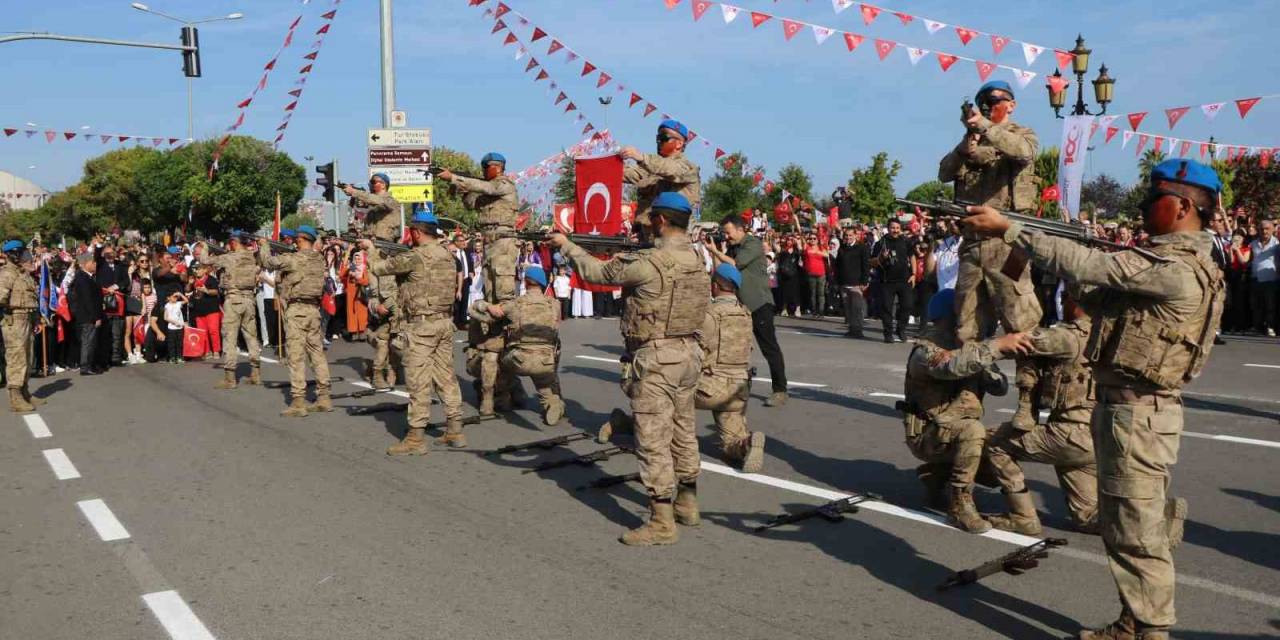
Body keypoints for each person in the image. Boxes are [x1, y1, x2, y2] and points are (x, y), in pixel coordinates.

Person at [960, 158, 1224, 640]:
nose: (1143, 209)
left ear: (1183, 205)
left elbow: (1092, 266)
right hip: (1127, 412)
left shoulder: (1177, 268)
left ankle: (1149, 630)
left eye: (1153, 200)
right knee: (1123, 526)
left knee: (1136, 535)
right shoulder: (1173, 265)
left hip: (1137, 415)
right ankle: (1135, 621)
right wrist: (1059, 254)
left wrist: (1013, 229)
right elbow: (1098, 297)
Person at [551, 192, 709, 546]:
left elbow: (598, 272)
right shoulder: (696, 258)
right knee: (683, 432)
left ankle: (661, 521)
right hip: (688, 354)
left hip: (656, 357)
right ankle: (688, 501)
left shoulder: (651, 262)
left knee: (653, 439)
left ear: (661, 221)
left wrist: (567, 246)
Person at [938, 80, 1043, 431]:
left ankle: (1028, 401)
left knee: (1022, 321)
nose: (986, 107)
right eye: (982, 102)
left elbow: (1023, 153)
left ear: (1010, 104)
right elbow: (944, 172)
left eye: (993, 101)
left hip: (1008, 244)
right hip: (972, 246)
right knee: (967, 325)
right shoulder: (973, 141)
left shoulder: (1021, 133)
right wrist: (965, 145)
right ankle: (969, 399)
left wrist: (985, 128)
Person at [902, 288, 1031, 533]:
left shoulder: (969, 350)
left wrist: (986, 361)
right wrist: (995, 346)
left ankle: (938, 475)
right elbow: (951, 367)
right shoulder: (925, 349)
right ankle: (959, 505)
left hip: (953, 433)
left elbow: (1000, 387)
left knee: (1005, 441)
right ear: (950, 318)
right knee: (973, 430)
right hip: (928, 435)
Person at [983, 286, 1099, 535]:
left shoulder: (1070, 337)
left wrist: (987, 345)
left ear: (1077, 302)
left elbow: (1027, 342)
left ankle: (1022, 517)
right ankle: (1154, 525)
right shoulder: (1105, 333)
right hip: (1098, 436)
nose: (1062, 304)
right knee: (1087, 516)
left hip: (1070, 434)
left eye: (1065, 299)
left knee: (996, 443)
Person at [363, 211, 466, 454]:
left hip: (421, 327)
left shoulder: (416, 256)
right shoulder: (448, 256)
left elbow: (379, 268)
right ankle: (455, 429)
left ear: (417, 232)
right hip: (443, 323)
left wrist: (370, 249)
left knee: (418, 381)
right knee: (446, 377)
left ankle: (415, 438)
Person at [708, 216, 789, 407]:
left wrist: (716, 251)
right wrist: (715, 251)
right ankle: (735, 387)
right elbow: (722, 270)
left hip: (758, 303)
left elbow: (735, 265)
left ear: (740, 229)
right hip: (740, 305)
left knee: (769, 348)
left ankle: (780, 390)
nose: (726, 236)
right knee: (736, 348)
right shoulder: (733, 247)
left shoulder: (753, 243)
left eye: (728, 232)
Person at [470, 265, 565, 426]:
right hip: (546, 359)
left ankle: (501, 397)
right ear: (542, 283)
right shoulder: (554, 304)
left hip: (518, 359)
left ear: (525, 282)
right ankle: (552, 402)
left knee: (496, 355)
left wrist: (485, 305)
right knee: (543, 380)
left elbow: (478, 311)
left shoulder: (515, 304)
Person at [695, 264, 765, 472]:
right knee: (730, 442)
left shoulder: (709, 313)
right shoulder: (745, 313)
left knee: (664, 394)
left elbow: (694, 347)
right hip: (739, 389)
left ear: (715, 285)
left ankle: (662, 439)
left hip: (707, 387)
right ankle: (746, 445)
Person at [258, 225, 333, 418]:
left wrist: (264, 245)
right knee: (317, 353)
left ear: (299, 240)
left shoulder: (294, 258)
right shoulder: (319, 259)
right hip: (313, 310)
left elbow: (267, 261)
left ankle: (298, 401)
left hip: (297, 310)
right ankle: (324, 397)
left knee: (296, 356)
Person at [437, 153, 519, 306]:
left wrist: (454, 177)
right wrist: (464, 191)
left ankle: (508, 326)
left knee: (503, 292)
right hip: (489, 242)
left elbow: (487, 187)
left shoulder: (504, 184)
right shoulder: (488, 192)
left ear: (498, 167)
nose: (483, 171)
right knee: (489, 290)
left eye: (486, 167)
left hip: (503, 242)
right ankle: (494, 327)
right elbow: (472, 205)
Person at [195, 232, 263, 389]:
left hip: (233, 300)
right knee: (251, 337)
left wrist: (205, 248)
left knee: (230, 337)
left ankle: (230, 377)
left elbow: (204, 261)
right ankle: (256, 373)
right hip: (249, 300)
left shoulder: (229, 257)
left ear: (233, 242)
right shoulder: (252, 257)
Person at [621, 119, 701, 224]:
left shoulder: (688, 167)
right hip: (648, 234)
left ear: (679, 144)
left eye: (663, 138)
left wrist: (641, 157)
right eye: (658, 138)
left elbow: (669, 169)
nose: (659, 141)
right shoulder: (650, 168)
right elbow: (627, 174)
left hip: (674, 235)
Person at [0, 241, 41, 411]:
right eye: (23, 252)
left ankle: (25, 392)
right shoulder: (7, 273)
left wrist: (36, 319)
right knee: (16, 358)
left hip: (27, 318)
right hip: (14, 320)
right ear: (14, 254)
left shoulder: (22, 273)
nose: (26, 255)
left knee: (28, 356)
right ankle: (15, 397)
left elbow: (32, 298)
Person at [871, 219, 914, 343]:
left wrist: (914, 274)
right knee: (887, 308)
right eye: (892, 228)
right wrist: (881, 257)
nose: (895, 230)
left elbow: (912, 256)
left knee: (907, 306)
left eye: (897, 228)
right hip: (887, 281)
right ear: (888, 228)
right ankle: (888, 333)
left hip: (904, 280)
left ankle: (901, 330)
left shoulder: (905, 241)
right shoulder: (881, 243)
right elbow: (872, 262)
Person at [365, 255, 400, 389]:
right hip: (383, 315)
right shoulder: (375, 268)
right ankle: (377, 374)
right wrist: (376, 307)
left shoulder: (404, 263)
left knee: (399, 344)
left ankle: (392, 370)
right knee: (383, 343)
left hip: (400, 313)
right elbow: (371, 296)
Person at [70, 253, 104, 376]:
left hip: (89, 315)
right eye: (93, 262)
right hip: (87, 316)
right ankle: (85, 366)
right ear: (87, 263)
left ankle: (90, 364)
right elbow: (88, 299)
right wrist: (96, 317)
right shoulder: (82, 278)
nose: (95, 265)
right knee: (88, 341)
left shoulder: (88, 277)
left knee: (91, 341)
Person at [344, 173, 401, 242]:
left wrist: (353, 191)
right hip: (371, 241)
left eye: (373, 182)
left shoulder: (390, 200)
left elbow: (376, 200)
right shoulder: (372, 205)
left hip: (385, 243)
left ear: (383, 185)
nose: (371, 185)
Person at [834, 228, 870, 338]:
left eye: (850, 235)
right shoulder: (842, 248)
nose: (848, 238)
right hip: (844, 283)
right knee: (848, 308)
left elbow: (865, 266)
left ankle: (858, 330)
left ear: (855, 236)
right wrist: (837, 281)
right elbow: (838, 267)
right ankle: (851, 329)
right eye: (846, 236)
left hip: (856, 283)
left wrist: (864, 281)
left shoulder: (862, 248)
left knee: (857, 308)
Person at [1248, 219, 1277, 336]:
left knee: (1270, 305)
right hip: (1255, 279)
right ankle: (1256, 327)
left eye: (1267, 229)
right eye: (1262, 229)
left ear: (1273, 229)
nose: (1264, 231)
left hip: (1271, 279)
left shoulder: (1277, 244)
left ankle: (1270, 326)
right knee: (1256, 305)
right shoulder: (1253, 243)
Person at [188, 261, 222, 360]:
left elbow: (216, 291)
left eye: (198, 269)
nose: (196, 271)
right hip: (198, 311)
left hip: (211, 309)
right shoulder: (193, 280)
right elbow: (187, 290)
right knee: (203, 332)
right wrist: (189, 284)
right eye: (195, 269)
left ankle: (216, 350)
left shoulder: (211, 279)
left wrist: (206, 290)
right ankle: (207, 351)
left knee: (213, 331)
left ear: (205, 270)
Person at [161, 291, 187, 364]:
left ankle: (179, 357)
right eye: (173, 296)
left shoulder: (178, 304)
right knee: (172, 343)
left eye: (176, 297)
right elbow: (165, 317)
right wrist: (174, 322)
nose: (175, 298)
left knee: (180, 343)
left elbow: (186, 301)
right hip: (171, 328)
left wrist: (180, 294)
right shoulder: (167, 305)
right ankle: (172, 357)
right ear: (168, 298)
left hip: (180, 327)